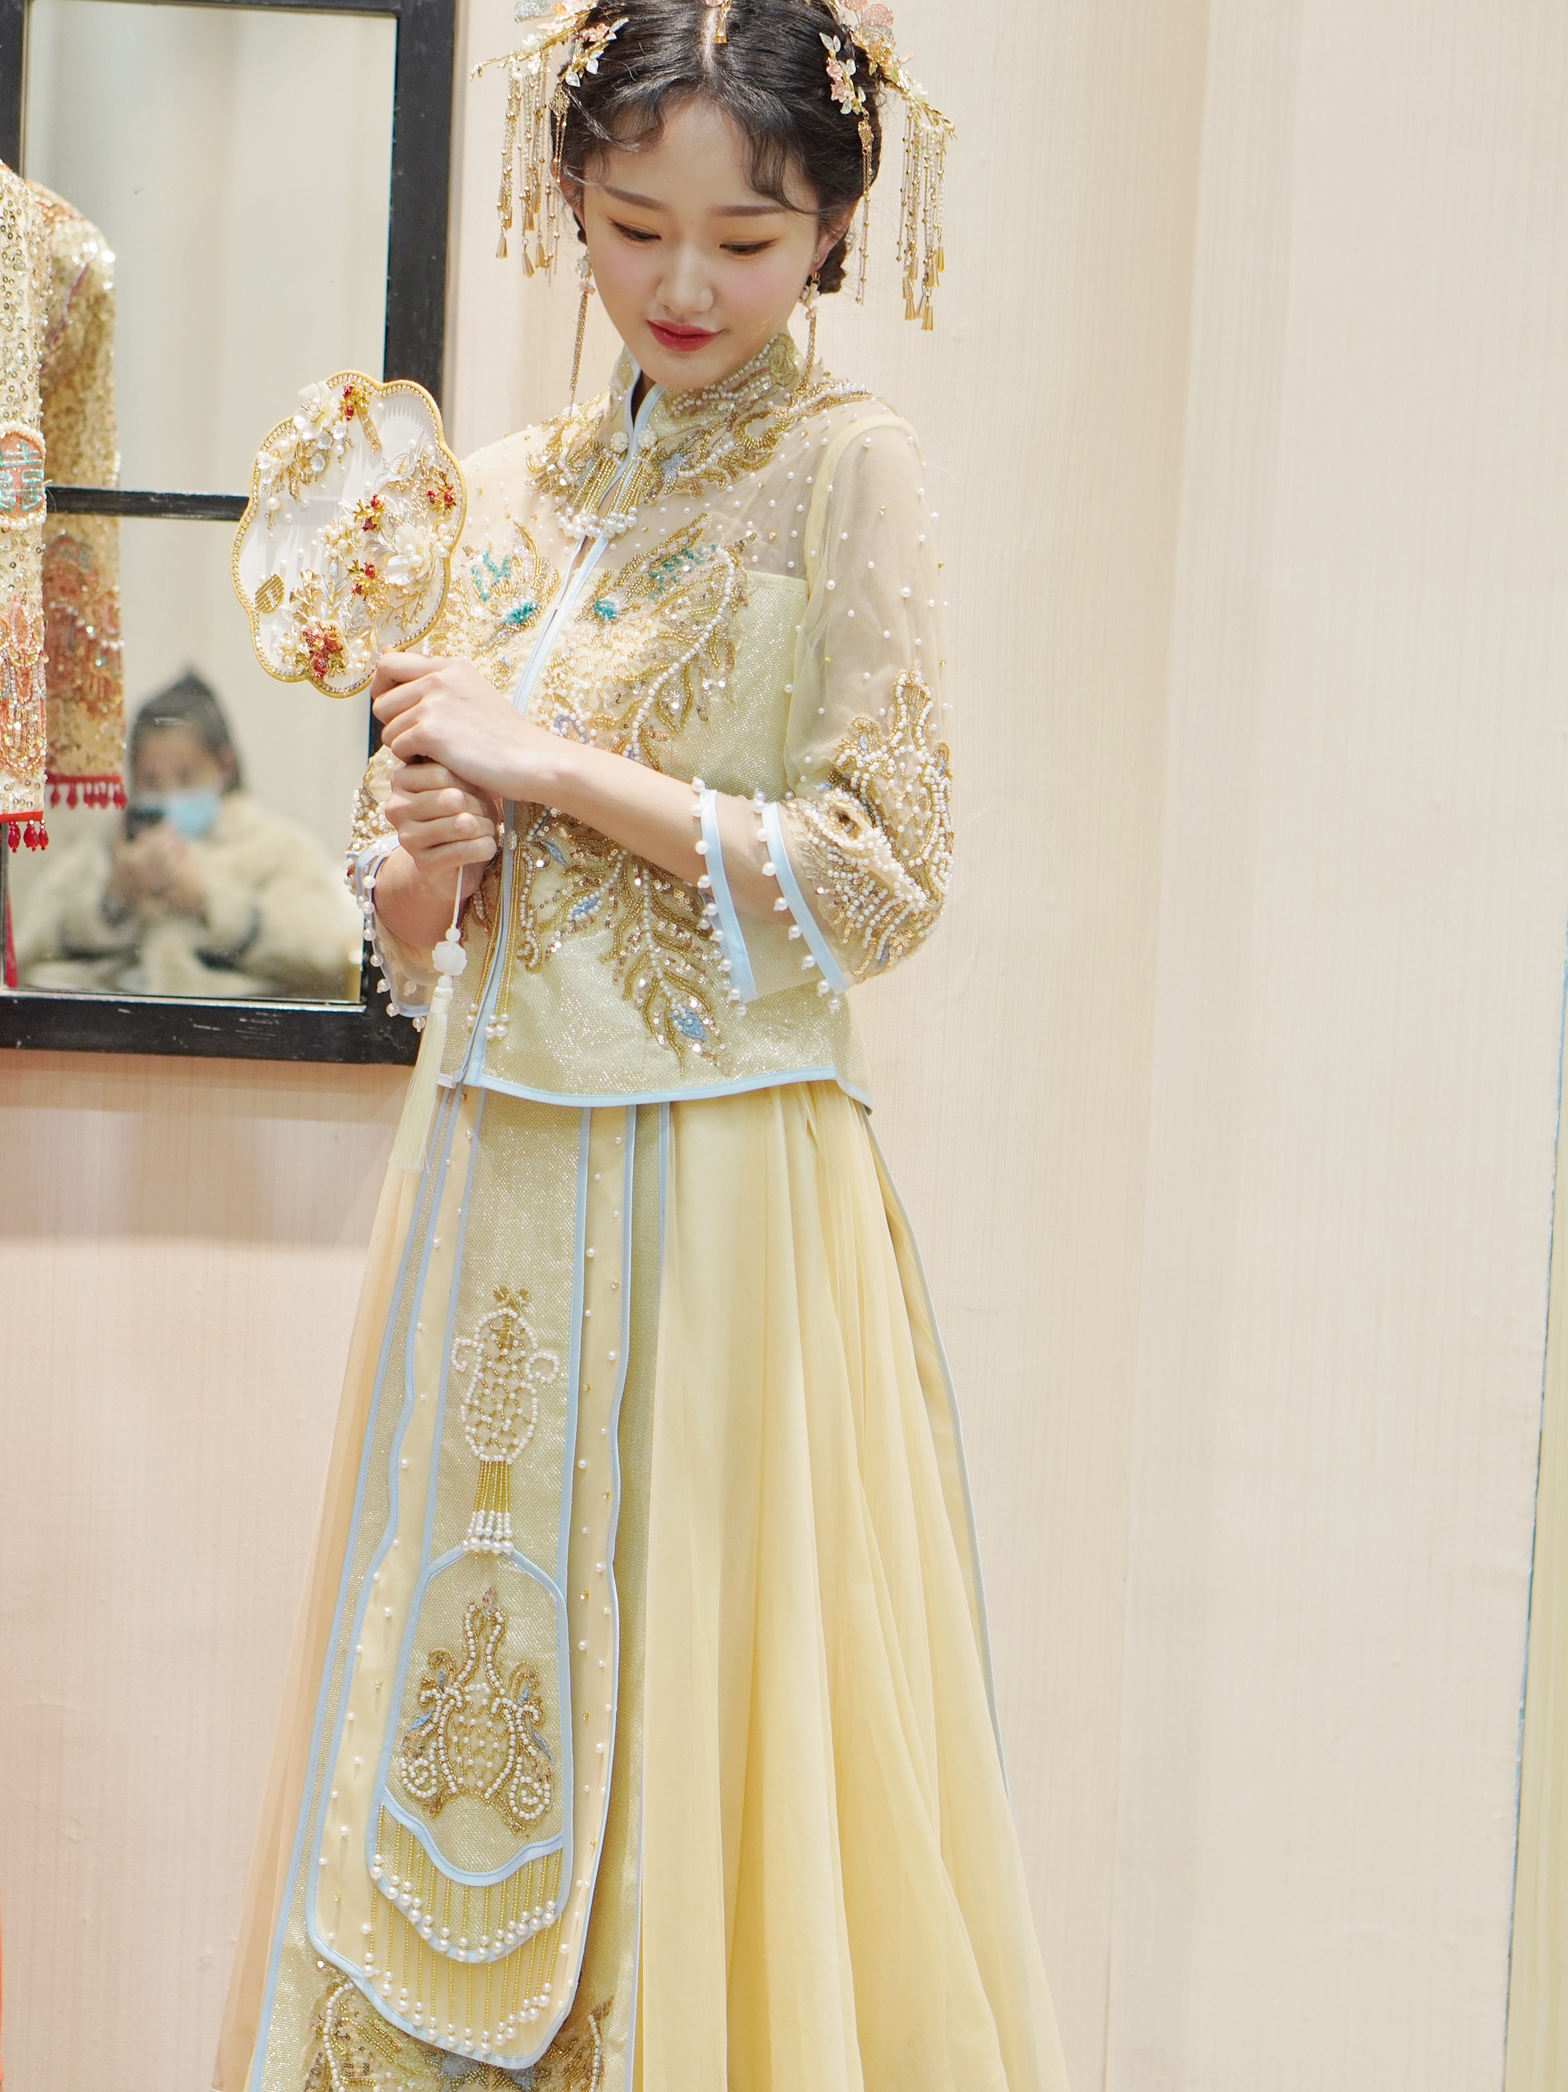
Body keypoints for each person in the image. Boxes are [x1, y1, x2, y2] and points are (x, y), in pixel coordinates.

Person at [218, 5, 1070, 2089]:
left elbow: (882, 874)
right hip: (485, 1182)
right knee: (456, 1704)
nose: (683, 284)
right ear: (568, 203)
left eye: (746, 239)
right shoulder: (505, 493)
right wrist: (425, 856)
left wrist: (553, 765)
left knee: (696, 1715)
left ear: (836, 229)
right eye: (632, 224)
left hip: (721, 1195)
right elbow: (422, 930)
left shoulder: (844, 472)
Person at [16, 670, 364, 998]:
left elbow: (329, 953)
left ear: (224, 767)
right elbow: (23, 949)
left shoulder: (276, 846)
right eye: (151, 780)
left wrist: (206, 900)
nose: (169, 794)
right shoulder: (105, 849)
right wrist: (114, 896)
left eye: (186, 776)